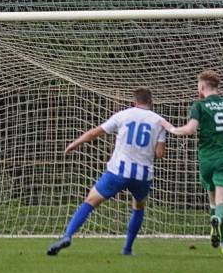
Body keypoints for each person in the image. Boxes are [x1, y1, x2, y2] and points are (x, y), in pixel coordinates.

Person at [47, 88, 166, 256]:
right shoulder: (160, 121)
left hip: (118, 171)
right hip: (142, 175)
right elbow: (160, 154)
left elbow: (95, 133)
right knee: (138, 207)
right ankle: (127, 249)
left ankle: (67, 235)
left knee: (90, 201)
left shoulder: (123, 115)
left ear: (134, 102)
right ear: (151, 102)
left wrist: (74, 144)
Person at [162, 70, 223, 256]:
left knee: (213, 199)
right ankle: (218, 220)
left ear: (203, 86)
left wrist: (172, 129)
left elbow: (190, 130)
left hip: (206, 158)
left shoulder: (199, 105)